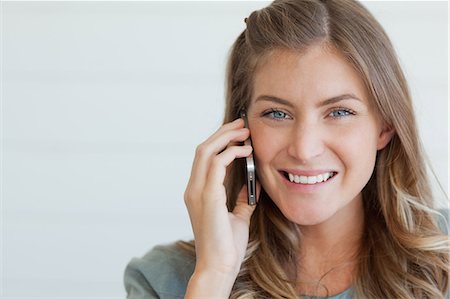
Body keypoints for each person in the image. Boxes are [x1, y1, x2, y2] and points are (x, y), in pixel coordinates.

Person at [124, 0, 449, 298]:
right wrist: (215, 276)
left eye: (339, 112)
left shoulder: (444, 254)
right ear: (240, 129)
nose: (305, 149)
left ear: (384, 126)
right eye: (277, 114)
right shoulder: (163, 278)